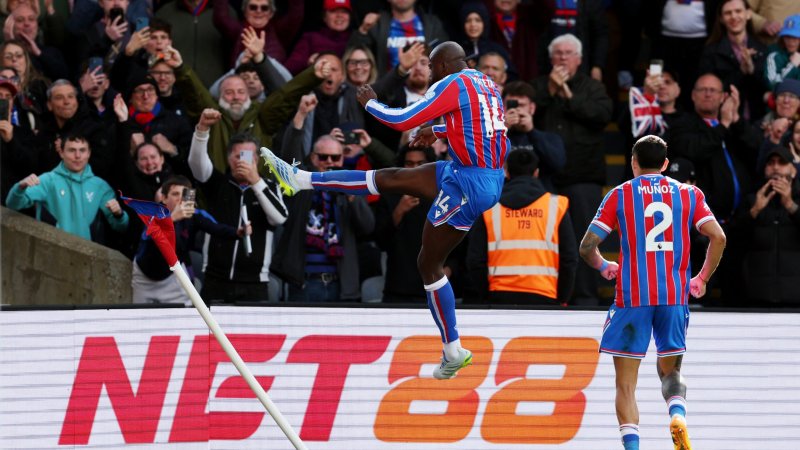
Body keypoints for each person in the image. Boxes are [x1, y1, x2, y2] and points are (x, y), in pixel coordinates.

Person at [261, 41, 508, 379]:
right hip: (470, 172)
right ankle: (299, 178)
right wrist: (435, 130)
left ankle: (453, 350)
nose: (432, 75)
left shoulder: (453, 82)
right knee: (391, 178)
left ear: (443, 65)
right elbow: (487, 129)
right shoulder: (486, 83)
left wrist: (371, 103)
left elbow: (401, 119)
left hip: (470, 183)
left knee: (428, 264)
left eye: (433, 68)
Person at [579, 135, 726, 450]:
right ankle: (677, 415)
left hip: (632, 298)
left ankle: (633, 447)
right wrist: (701, 278)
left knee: (626, 384)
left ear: (633, 162)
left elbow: (587, 246)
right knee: (671, 371)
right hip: (673, 297)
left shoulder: (620, 195)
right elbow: (719, 237)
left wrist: (604, 265)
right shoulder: (689, 194)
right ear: (664, 164)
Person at [532, 33, 613, 305]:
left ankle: (585, 297)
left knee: (584, 240)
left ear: (579, 58)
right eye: (558, 53)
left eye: (568, 53)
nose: (563, 58)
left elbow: (601, 115)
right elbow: (529, 111)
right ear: (550, 58)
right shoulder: (540, 86)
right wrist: (552, 91)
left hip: (583, 178)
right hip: (545, 177)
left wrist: (566, 93)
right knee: (545, 240)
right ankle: (549, 295)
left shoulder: (593, 87)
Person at [187, 109, 288, 303]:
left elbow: (280, 217)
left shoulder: (270, 186)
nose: (243, 162)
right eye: (238, 156)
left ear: (257, 160)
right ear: (228, 159)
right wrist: (202, 130)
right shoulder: (218, 184)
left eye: (249, 157)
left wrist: (256, 182)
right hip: (216, 279)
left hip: (255, 283)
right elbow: (196, 164)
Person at [467, 148, 577, 305]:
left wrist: (486, 296)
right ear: (536, 173)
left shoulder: (490, 207)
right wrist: (563, 298)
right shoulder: (556, 205)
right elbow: (569, 259)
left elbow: (475, 261)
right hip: (545, 295)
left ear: (507, 173)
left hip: (499, 295)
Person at [132, 175, 251, 304]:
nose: (180, 199)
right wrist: (172, 219)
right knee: (140, 317)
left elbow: (216, 228)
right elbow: (149, 238)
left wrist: (237, 232)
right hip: (144, 276)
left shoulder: (194, 215)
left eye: (184, 194)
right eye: (175, 194)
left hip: (173, 274)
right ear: (164, 198)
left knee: (185, 311)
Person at [6, 133, 129, 242]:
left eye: (82, 150)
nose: (77, 155)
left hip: (89, 257)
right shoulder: (48, 180)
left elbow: (121, 227)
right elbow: (13, 205)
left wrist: (119, 214)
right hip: (50, 252)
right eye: (71, 150)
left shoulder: (100, 186)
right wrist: (20, 187)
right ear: (61, 153)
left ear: (89, 153)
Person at [732, 144, 800, 306]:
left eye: (782, 163)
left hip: (795, 298)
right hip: (756, 297)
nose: (776, 167)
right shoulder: (750, 200)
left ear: (794, 170)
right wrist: (754, 211)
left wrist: (791, 206)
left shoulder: (798, 201)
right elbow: (731, 240)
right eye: (770, 163)